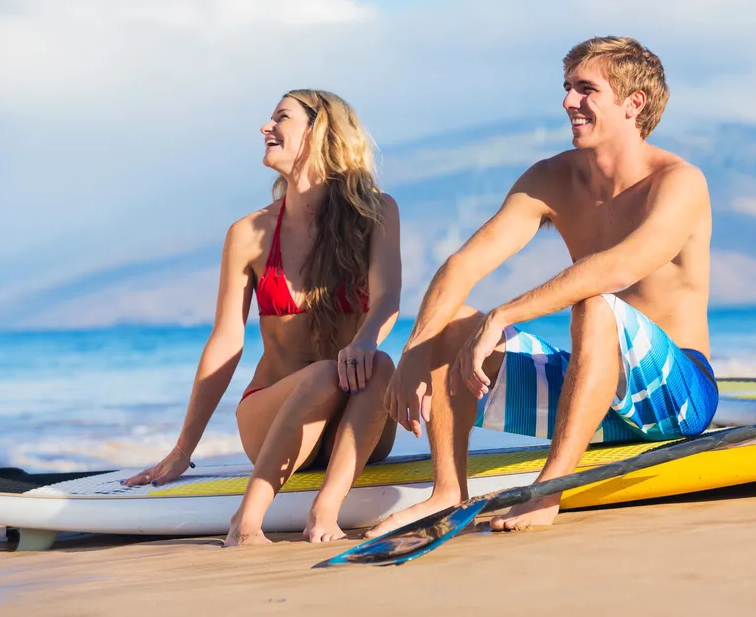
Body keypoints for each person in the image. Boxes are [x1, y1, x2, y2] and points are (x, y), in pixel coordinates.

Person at [369, 36, 717, 537]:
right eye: (567, 88)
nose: (567, 102)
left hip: (677, 399)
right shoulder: (550, 179)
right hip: (593, 399)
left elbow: (617, 269)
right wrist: (414, 353)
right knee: (453, 324)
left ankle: (548, 488)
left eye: (585, 89)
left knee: (596, 304)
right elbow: (464, 262)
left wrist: (504, 315)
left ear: (632, 103)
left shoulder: (678, 182)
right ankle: (447, 491)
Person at [122, 89, 402, 545]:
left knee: (381, 366)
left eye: (281, 117)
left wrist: (367, 338)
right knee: (324, 375)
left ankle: (324, 512)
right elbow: (226, 342)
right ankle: (245, 522)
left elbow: (387, 297)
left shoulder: (375, 214)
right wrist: (182, 450)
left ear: (319, 131)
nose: (265, 128)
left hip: (355, 425)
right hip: (270, 415)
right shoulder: (248, 235)